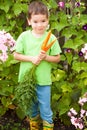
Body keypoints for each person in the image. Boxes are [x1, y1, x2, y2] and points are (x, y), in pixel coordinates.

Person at [14, 1, 61, 130]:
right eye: (35, 22)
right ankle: (34, 125)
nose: (39, 25)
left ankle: (47, 126)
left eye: (43, 21)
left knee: (45, 107)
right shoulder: (24, 37)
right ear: (29, 21)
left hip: (44, 81)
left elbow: (57, 58)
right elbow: (16, 55)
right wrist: (31, 58)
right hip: (26, 81)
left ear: (48, 20)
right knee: (31, 107)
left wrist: (46, 57)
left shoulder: (51, 38)